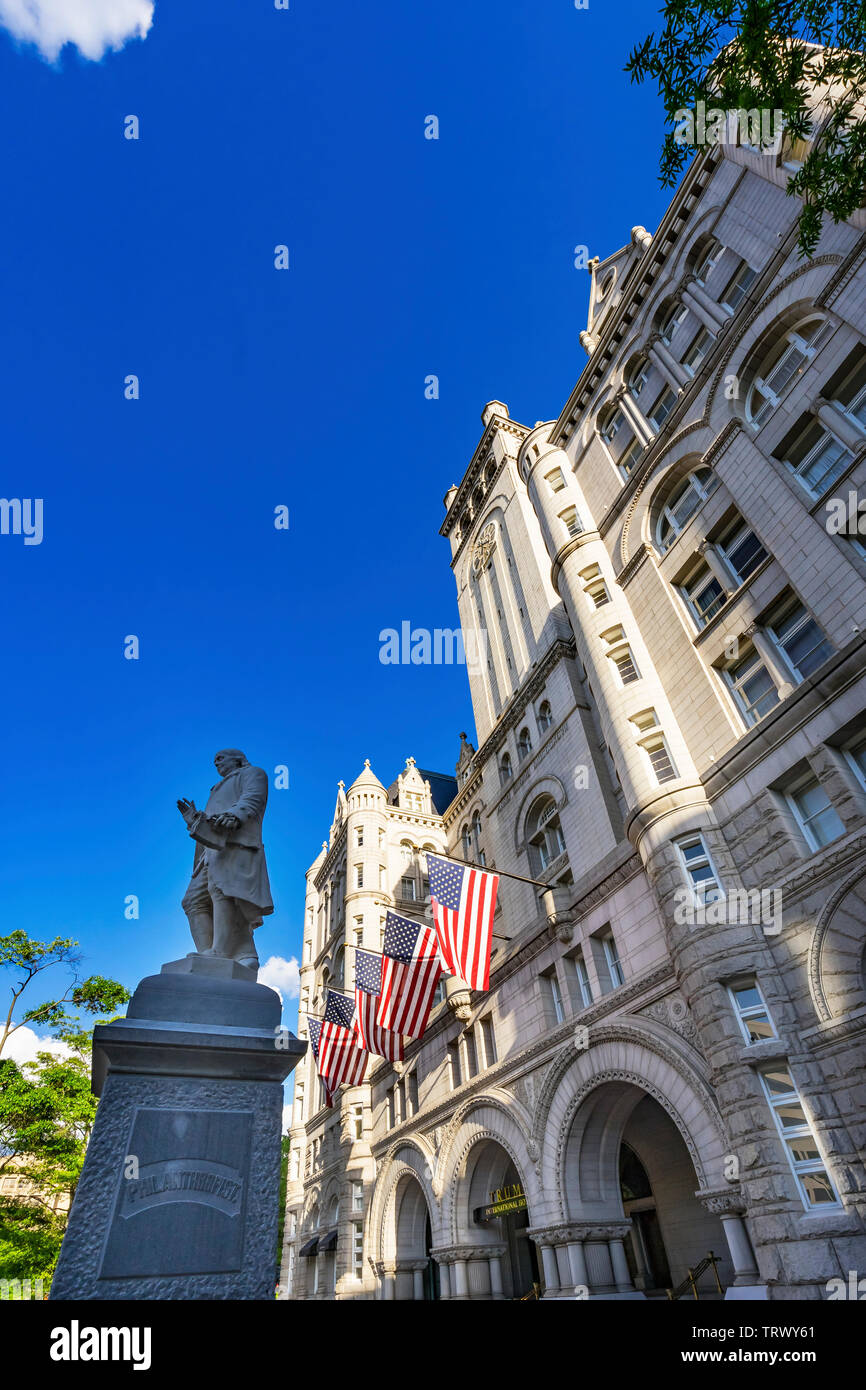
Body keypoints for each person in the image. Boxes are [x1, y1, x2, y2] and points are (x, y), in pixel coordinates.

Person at [177, 748, 273, 970]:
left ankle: (220, 953)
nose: (216, 761)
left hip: (236, 845)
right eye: (214, 760)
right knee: (192, 901)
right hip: (210, 851)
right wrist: (195, 820)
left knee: (224, 893)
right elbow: (213, 820)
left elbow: (253, 799)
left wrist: (235, 816)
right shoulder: (217, 787)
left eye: (221, 757)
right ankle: (221, 954)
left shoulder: (253, 773)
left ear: (238, 759)